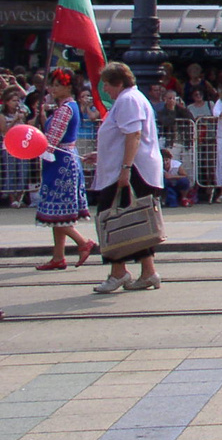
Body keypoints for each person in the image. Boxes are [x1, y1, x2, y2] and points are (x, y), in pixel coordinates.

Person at [88, 62, 163, 293]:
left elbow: (134, 135)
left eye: (107, 85)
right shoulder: (130, 98)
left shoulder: (128, 100)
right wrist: (102, 155)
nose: (106, 90)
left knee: (110, 218)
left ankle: (118, 272)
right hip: (129, 168)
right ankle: (148, 271)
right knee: (137, 220)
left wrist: (125, 168)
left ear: (119, 83)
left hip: (131, 171)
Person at [33, 68, 95, 269]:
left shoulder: (66, 109)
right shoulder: (69, 107)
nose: (52, 88)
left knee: (57, 209)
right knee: (58, 212)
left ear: (68, 87)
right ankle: (58, 256)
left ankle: (83, 242)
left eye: (56, 85)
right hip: (64, 160)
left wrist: (35, 149)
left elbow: (52, 140)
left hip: (60, 162)